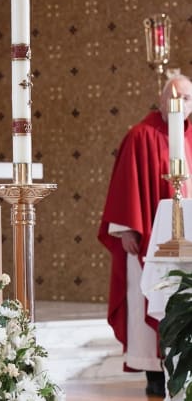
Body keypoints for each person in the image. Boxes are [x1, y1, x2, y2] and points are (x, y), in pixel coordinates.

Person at [99, 74, 192, 397]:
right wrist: (125, 228)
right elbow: (127, 183)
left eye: (188, 99)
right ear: (163, 99)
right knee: (146, 300)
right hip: (147, 240)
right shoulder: (141, 135)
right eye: (176, 97)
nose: (181, 105)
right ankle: (154, 374)